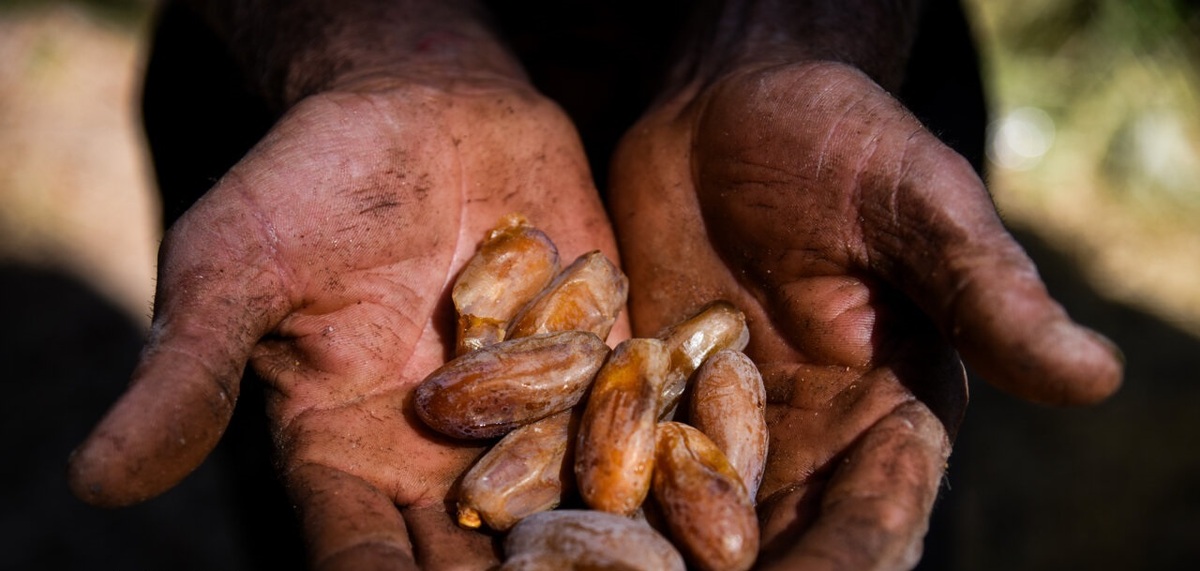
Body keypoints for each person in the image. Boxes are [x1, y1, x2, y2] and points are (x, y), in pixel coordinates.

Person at [68, 1, 1124, 569]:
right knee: (307, 500)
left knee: (867, 492)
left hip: (817, 84)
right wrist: (372, 43)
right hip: (324, 101)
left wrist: (786, 29)